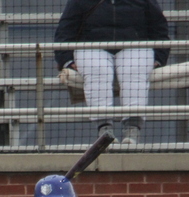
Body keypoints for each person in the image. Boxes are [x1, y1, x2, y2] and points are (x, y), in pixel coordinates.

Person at [53, 0, 170, 145]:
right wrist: (67, 60)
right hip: (91, 47)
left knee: (134, 69)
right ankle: (105, 130)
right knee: (97, 70)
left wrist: (159, 57)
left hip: (135, 45)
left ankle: (132, 130)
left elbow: (159, 27)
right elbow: (65, 29)